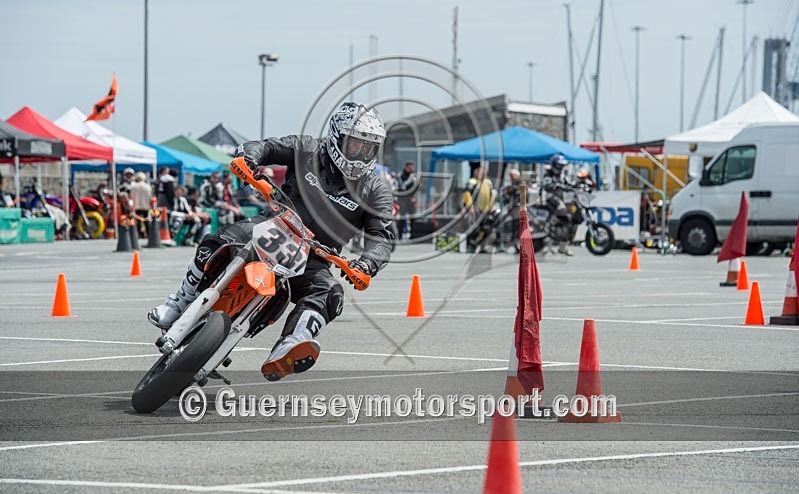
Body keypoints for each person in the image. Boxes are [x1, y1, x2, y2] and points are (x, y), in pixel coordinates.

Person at [148, 102, 394, 381]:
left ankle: (291, 344)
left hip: (315, 256)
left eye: (368, 148)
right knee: (219, 240)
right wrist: (249, 158)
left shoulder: (375, 190)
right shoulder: (307, 148)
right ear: (337, 136)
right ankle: (181, 301)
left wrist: (367, 264)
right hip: (272, 226)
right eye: (354, 145)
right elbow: (266, 147)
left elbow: (382, 236)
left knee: (330, 294)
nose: (360, 154)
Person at [542, 153, 574, 255]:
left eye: (561, 165)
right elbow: (546, 185)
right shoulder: (548, 174)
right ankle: (550, 223)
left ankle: (563, 247)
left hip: (561, 199)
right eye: (559, 165)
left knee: (568, 221)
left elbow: (568, 184)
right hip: (550, 199)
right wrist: (556, 186)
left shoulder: (562, 175)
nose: (560, 167)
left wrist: (576, 186)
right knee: (561, 208)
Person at [462, 166, 498, 252]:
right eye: (481, 173)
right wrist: (470, 207)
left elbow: (492, 194)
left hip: (486, 209)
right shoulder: (472, 182)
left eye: (484, 173)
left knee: (486, 228)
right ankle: (470, 245)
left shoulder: (488, 182)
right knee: (474, 227)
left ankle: (483, 245)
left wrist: (492, 206)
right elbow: (467, 194)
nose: (483, 175)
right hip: (475, 208)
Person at [500, 168, 526, 252]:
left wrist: (510, 189)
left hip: (519, 208)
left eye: (512, 176)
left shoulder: (521, 183)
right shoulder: (512, 184)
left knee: (518, 226)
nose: (511, 178)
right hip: (512, 208)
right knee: (513, 226)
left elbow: (521, 191)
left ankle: (519, 244)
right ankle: (514, 243)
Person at [396, 161, 417, 238]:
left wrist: (414, 197)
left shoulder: (414, 176)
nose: (411, 169)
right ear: (406, 167)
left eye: (412, 168)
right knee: (402, 217)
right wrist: (410, 180)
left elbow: (417, 187)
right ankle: (400, 235)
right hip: (402, 198)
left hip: (411, 199)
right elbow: (402, 187)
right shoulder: (400, 175)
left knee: (413, 218)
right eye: (410, 168)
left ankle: (413, 235)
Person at [129, 172, 152, 237]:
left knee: (138, 221)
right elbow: (150, 196)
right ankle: (148, 234)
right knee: (146, 221)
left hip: (136, 205)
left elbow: (131, 196)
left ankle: (140, 234)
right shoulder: (147, 186)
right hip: (146, 205)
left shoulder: (133, 186)